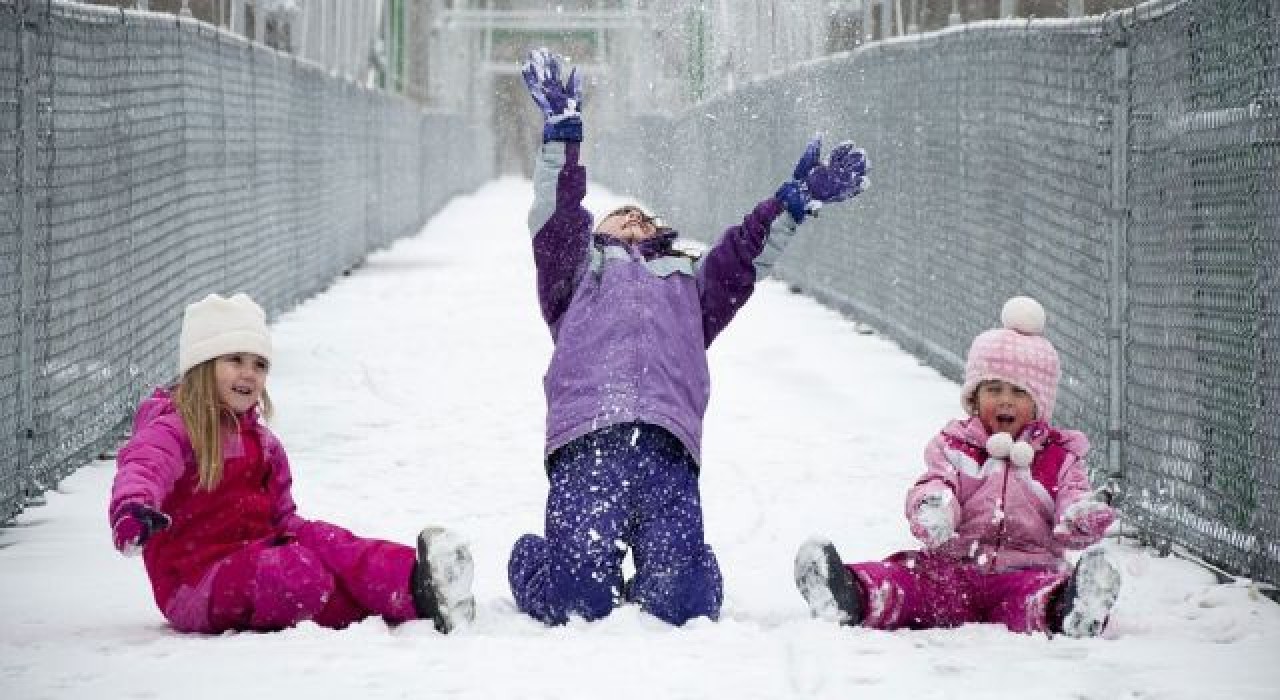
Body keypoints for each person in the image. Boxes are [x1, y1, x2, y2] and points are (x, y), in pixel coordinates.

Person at [507, 48, 869, 626]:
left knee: (683, 608)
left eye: (643, 218)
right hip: (588, 446)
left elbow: (744, 255)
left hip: (667, 450)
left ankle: (688, 571)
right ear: (595, 234)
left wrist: (789, 207)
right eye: (618, 216)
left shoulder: (688, 286)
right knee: (578, 604)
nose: (632, 220)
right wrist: (563, 137)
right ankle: (532, 559)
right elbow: (556, 212)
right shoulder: (573, 276)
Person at [108, 293, 475, 634]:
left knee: (329, 544)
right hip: (195, 583)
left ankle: (417, 585)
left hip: (257, 558)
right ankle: (382, 597)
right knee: (298, 572)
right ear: (202, 366)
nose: (249, 373)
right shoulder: (174, 429)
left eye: (259, 364)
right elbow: (144, 466)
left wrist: (324, 545)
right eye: (234, 359)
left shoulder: (265, 445)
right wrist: (132, 509)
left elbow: (281, 519)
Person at [794, 296, 1122, 638]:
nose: (1005, 400)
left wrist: (1083, 517)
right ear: (975, 397)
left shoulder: (1059, 458)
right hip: (953, 569)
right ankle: (850, 594)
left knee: (1032, 600)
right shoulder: (956, 445)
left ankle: (1071, 609)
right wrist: (933, 508)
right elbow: (936, 482)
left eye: (1019, 392)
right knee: (909, 583)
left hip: (1024, 571)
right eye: (994, 389)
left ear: (1039, 404)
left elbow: (1071, 505)